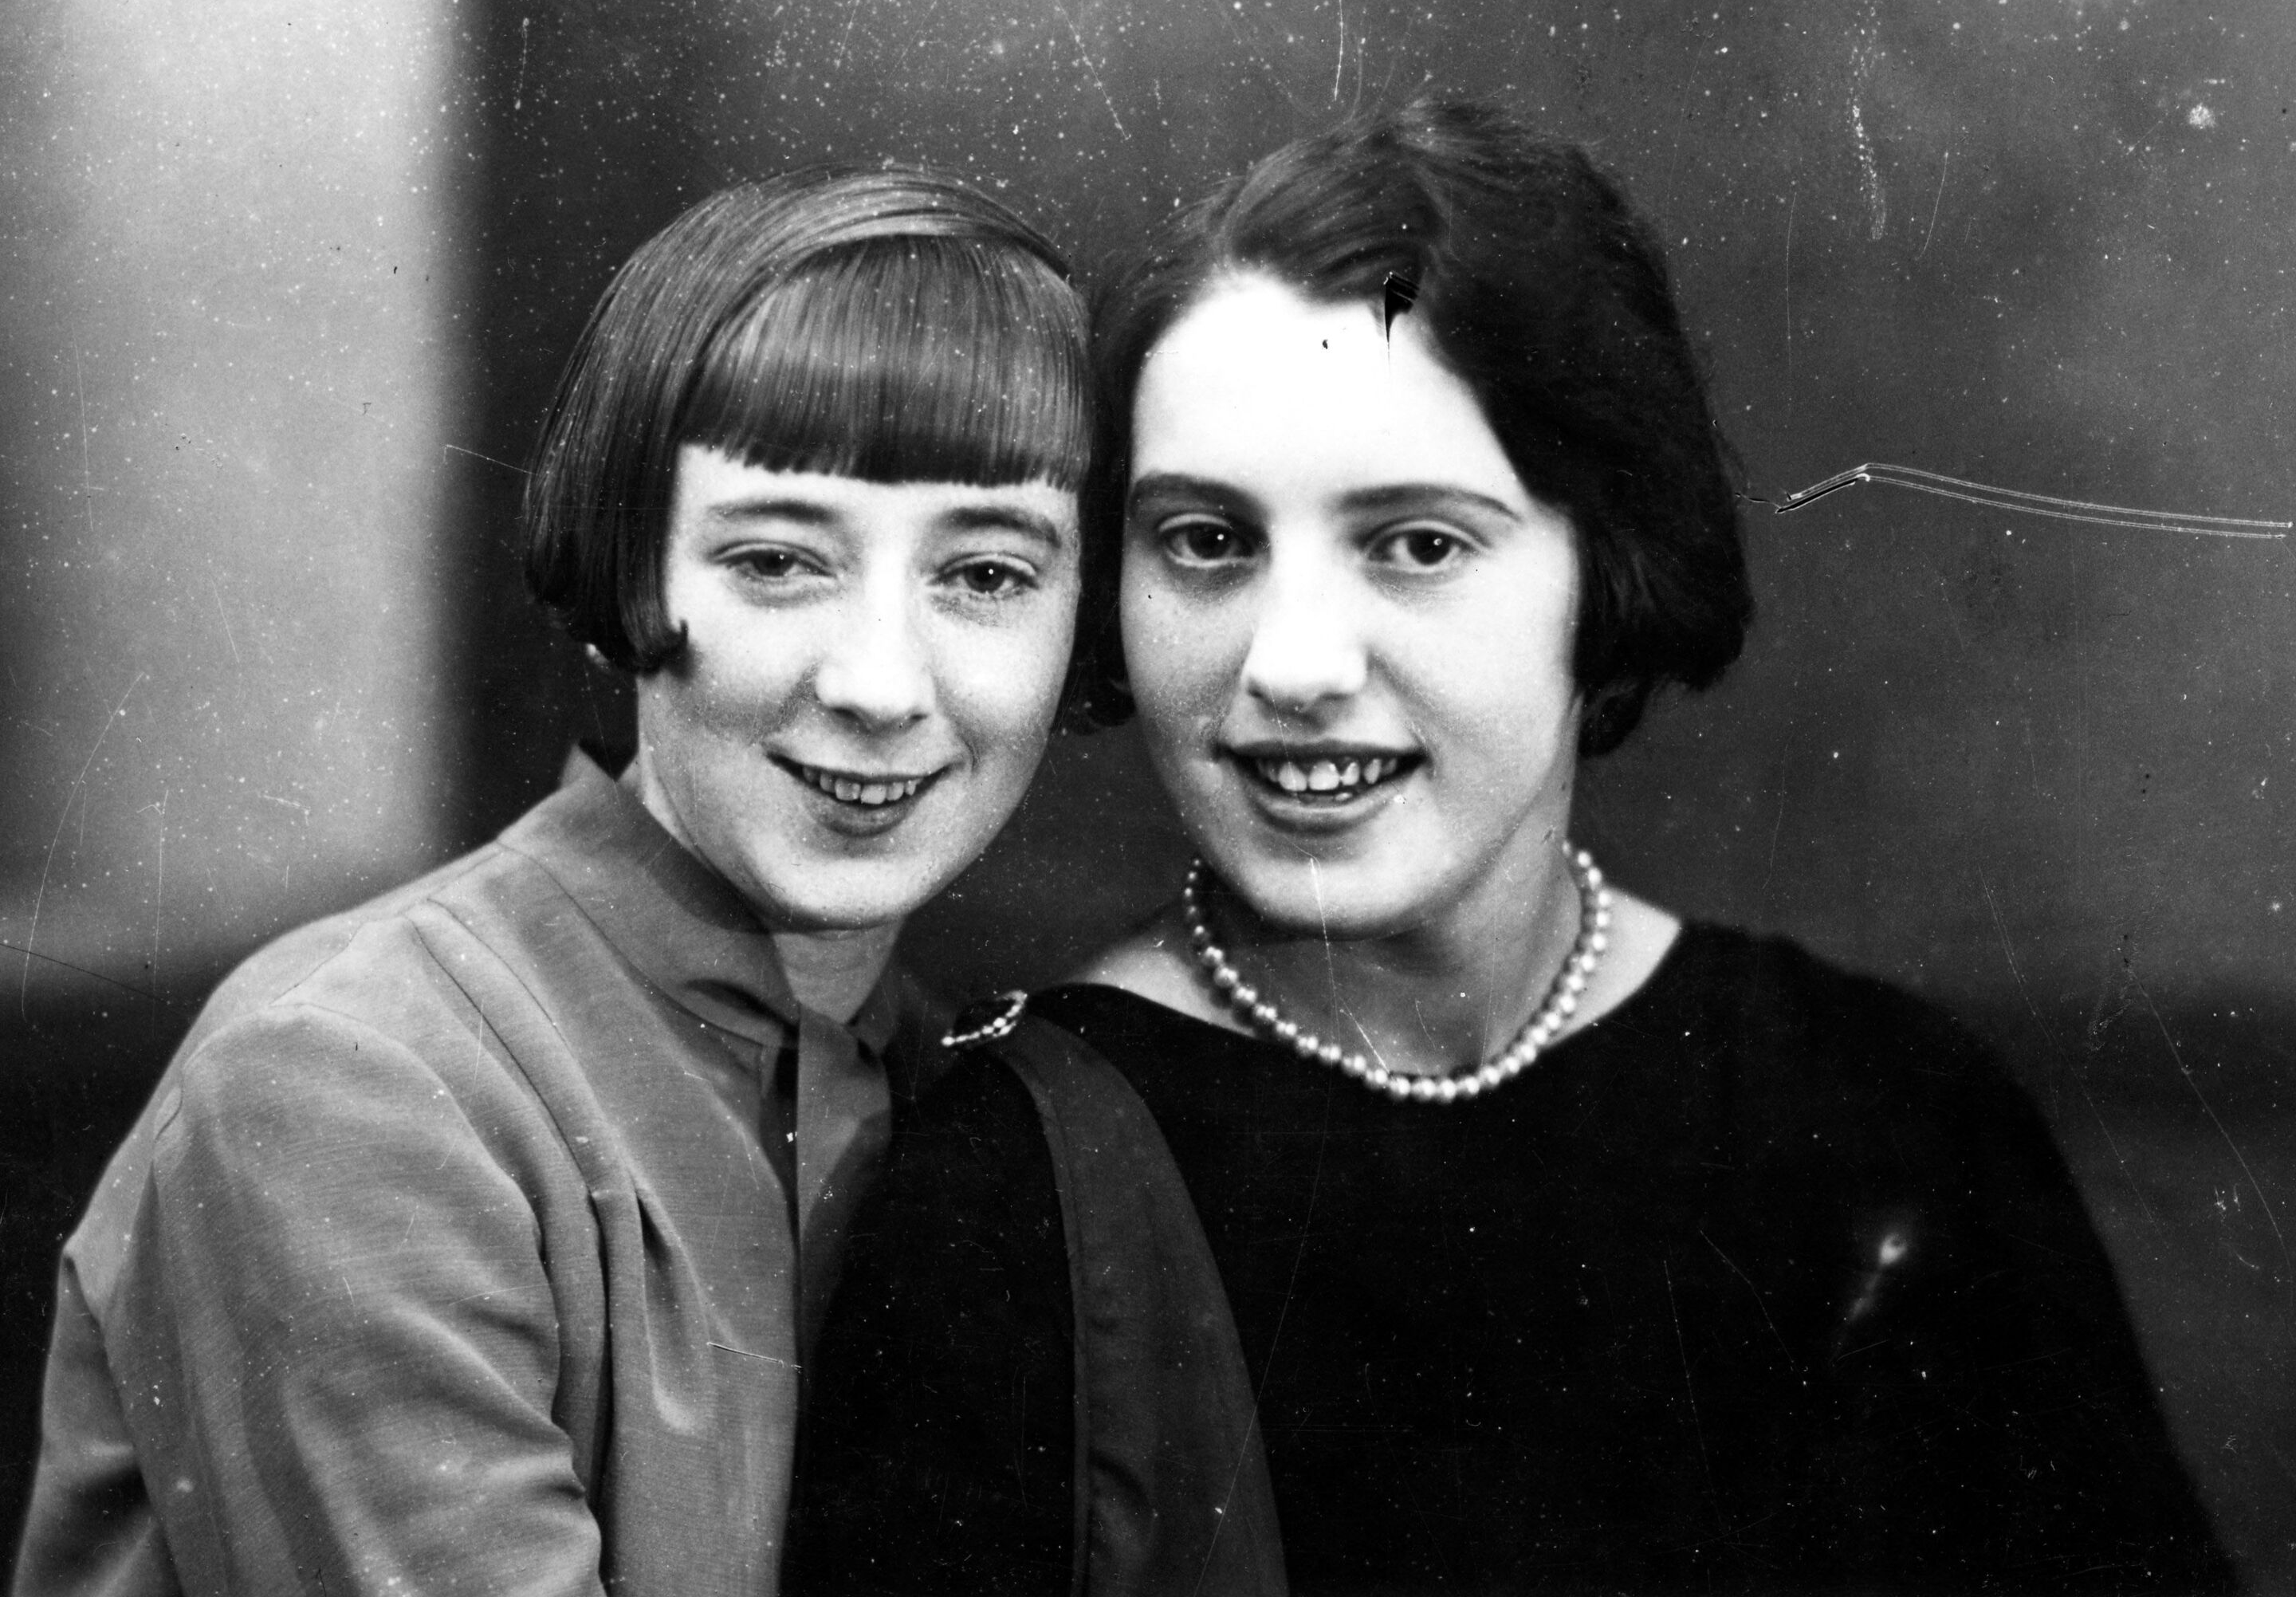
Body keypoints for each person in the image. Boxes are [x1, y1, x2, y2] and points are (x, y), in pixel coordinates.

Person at [790, 102, 2235, 1593]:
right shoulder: (998, 1192)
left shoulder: (1890, 1116)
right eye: (1207, 542)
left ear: (1606, 565)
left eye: (1417, 544)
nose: (1294, 665)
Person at [14, 167, 1091, 1595]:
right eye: (777, 561)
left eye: (989, 577)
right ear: (627, 566)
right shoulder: (353, 1085)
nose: (881, 684)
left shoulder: (946, 1081)